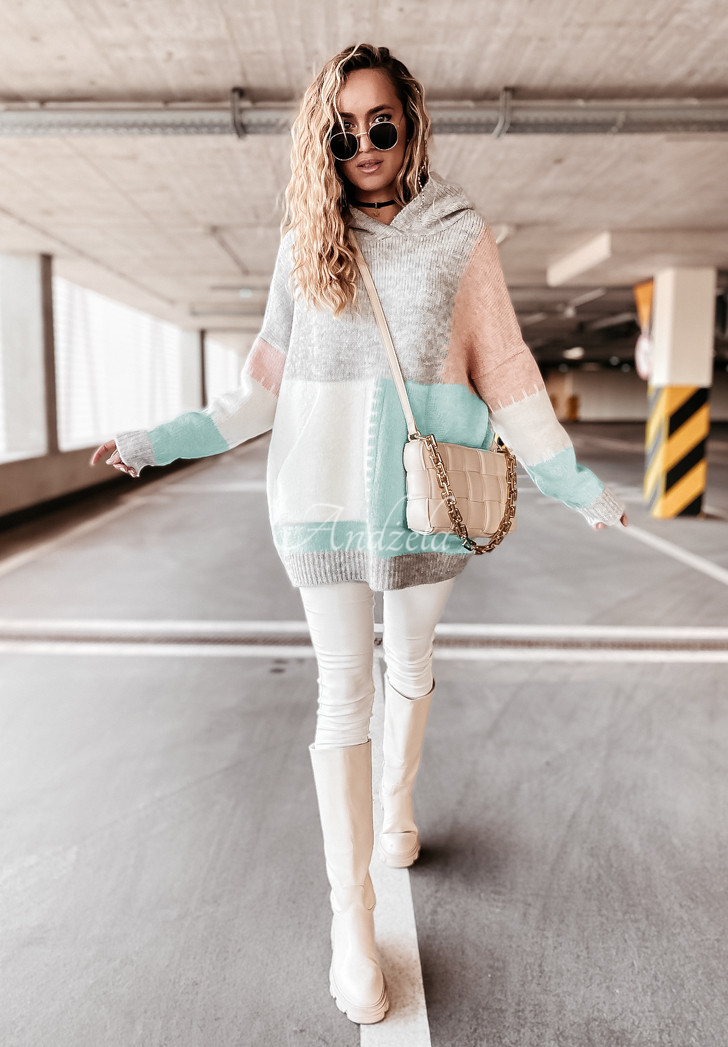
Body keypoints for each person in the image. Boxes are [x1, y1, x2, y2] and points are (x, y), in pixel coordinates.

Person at [90, 42, 628, 1026]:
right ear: (321, 142)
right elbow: (255, 396)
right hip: (320, 496)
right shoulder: (306, 241)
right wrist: (154, 441)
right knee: (342, 692)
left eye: (381, 123)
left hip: (427, 497)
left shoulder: (459, 235)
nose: (365, 144)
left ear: (409, 122)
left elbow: (508, 372)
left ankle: (394, 805)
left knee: (410, 664)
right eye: (342, 132)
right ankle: (352, 920)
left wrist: (576, 485)